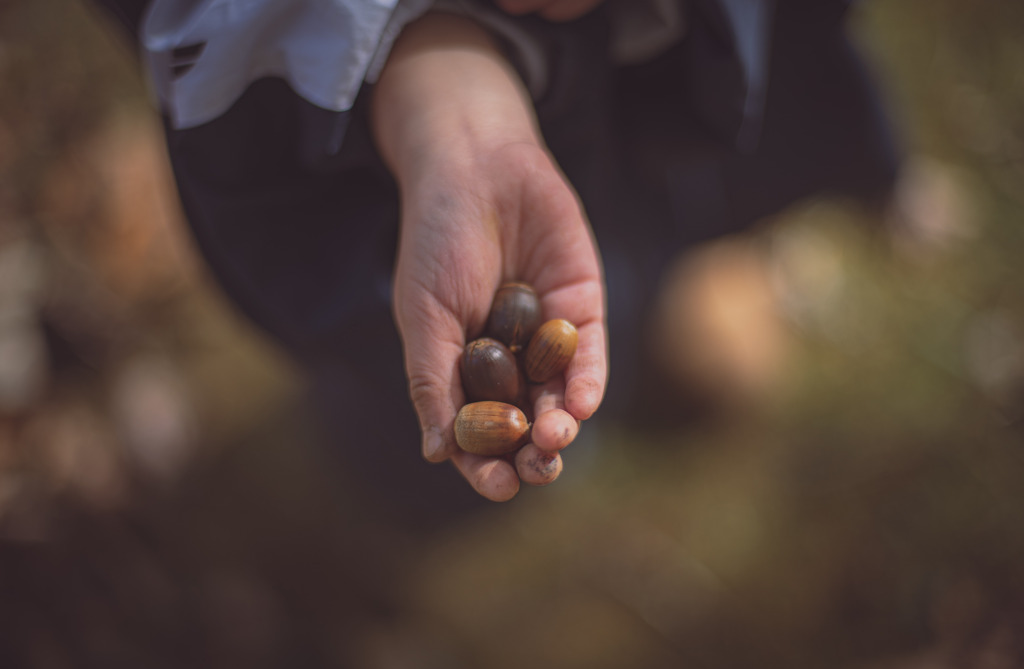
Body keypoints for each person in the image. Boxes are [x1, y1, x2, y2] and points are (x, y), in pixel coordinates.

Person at [88, 0, 900, 517]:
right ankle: (402, 493)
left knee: (703, 298)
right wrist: (440, 87)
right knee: (423, 383)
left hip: (692, 76)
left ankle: (688, 270)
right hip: (381, 178)